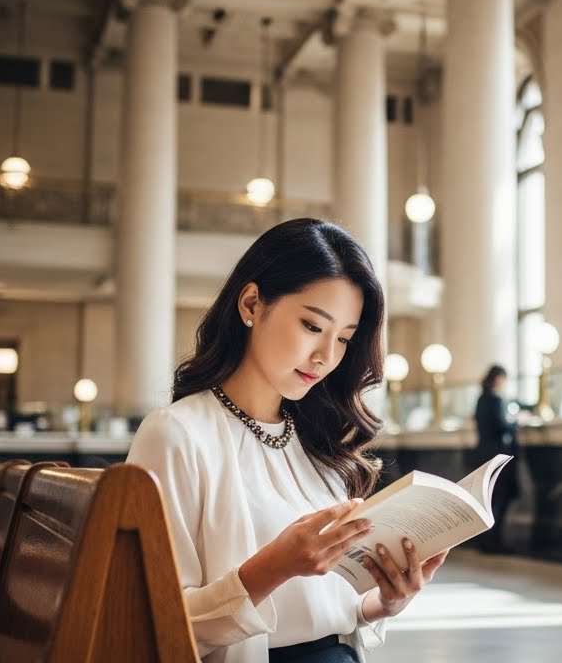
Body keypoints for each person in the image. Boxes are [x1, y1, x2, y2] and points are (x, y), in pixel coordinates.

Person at [127, 218, 447, 663]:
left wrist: (388, 602)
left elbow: (331, 612)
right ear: (252, 303)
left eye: (344, 340)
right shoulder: (176, 434)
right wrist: (273, 567)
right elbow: (153, 623)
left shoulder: (318, 440)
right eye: (313, 326)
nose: (326, 356)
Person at [472, 364, 519, 554]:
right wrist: (515, 422)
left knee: (488, 499)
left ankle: (485, 540)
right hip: (498, 455)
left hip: (483, 454)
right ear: (499, 378)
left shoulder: (481, 399)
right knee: (498, 499)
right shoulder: (496, 399)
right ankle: (494, 541)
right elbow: (503, 425)